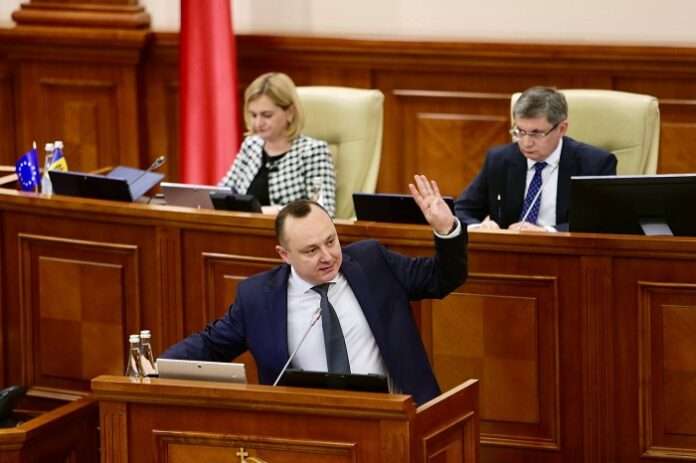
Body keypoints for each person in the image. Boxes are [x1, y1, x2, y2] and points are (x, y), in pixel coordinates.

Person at [161, 175, 467, 405]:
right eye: (311, 250)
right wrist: (156, 368)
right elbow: (211, 344)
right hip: (314, 431)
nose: (328, 256)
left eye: (331, 241)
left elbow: (443, 278)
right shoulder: (258, 297)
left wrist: (446, 229)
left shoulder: (373, 262)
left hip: (395, 418)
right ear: (284, 254)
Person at [454, 86, 617, 232]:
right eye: (520, 131)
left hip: (567, 252)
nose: (526, 143)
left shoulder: (595, 164)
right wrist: (479, 227)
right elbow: (462, 210)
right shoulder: (499, 160)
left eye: (536, 133)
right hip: (509, 251)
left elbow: (603, 221)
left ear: (562, 129)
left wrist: (548, 232)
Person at [219, 72, 337, 217]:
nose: (258, 123)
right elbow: (222, 193)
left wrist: (269, 211)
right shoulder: (251, 146)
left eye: (267, 115)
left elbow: (323, 210)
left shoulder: (313, 152)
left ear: (290, 113)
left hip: (289, 231)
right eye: (253, 115)